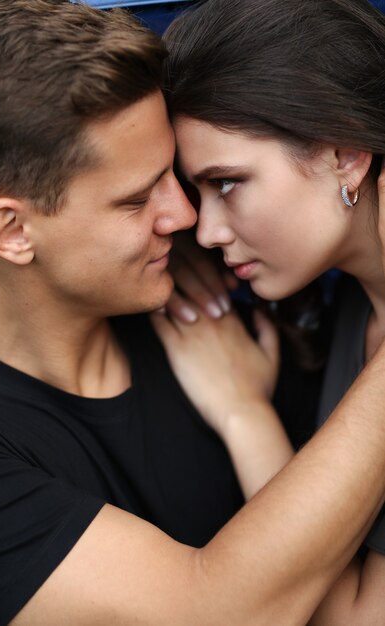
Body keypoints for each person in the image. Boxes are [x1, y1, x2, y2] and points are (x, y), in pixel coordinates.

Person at [0, 2, 385, 626]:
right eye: (137, 199)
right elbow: (221, 611)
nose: (189, 220)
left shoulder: (218, 288)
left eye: (185, 181)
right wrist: (247, 414)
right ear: (12, 230)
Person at [158, 0, 385, 623]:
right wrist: (243, 408)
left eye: (226, 182)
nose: (203, 231)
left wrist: (243, 417)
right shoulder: (353, 314)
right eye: (196, 191)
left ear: (347, 154)